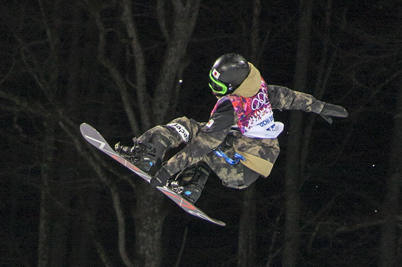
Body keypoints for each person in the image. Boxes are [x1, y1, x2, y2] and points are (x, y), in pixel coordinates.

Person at [114, 53, 347, 206]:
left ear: (232, 86)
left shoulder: (231, 107)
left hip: (239, 166)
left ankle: (146, 154)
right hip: (246, 160)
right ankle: (189, 186)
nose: (213, 90)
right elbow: (289, 97)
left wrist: (166, 170)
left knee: (188, 127)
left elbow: (202, 145)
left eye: (217, 86)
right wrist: (320, 107)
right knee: (210, 135)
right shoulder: (258, 90)